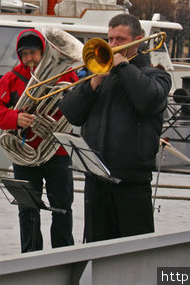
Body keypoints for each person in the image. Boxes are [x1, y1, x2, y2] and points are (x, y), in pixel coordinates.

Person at [58, 14, 171, 242]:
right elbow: (71, 113)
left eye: (120, 39)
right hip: (97, 180)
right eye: (110, 39)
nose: (113, 45)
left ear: (137, 41)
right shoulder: (99, 78)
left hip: (131, 182)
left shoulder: (156, 76)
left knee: (133, 252)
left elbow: (148, 100)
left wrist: (124, 66)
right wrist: (94, 82)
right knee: (96, 250)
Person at [0, 29, 77, 253]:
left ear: (42, 51)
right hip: (24, 153)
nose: (29, 58)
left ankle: (64, 255)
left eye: (33, 52)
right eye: (24, 54)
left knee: (62, 208)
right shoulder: (12, 78)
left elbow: (78, 102)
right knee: (27, 209)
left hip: (57, 152)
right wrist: (16, 118)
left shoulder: (64, 74)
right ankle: (30, 256)